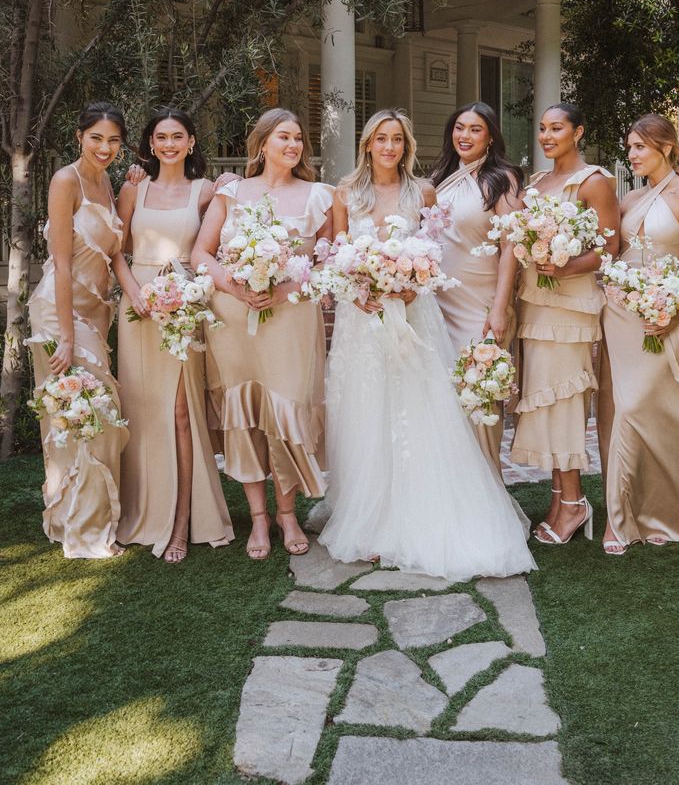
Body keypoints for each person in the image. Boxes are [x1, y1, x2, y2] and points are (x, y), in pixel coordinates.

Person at [319, 109, 536, 582]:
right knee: (366, 412)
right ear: (367, 144)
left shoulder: (425, 191)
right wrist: (364, 289)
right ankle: (370, 519)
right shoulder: (344, 193)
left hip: (415, 314)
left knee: (418, 411)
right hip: (362, 321)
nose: (389, 147)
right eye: (381, 139)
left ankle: (420, 516)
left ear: (407, 145)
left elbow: (433, 252)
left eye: (397, 139)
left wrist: (409, 285)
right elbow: (337, 256)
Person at [192, 108, 332, 560]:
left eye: (298, 139)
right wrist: (234, 285)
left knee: (284, 414)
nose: (293, 146)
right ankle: (257, 518)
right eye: (283, 138)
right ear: (262, 143)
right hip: (233, 320)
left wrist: (285, 287)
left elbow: (328, 262)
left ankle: (287, 514)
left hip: (291, 319)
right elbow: (202, 251)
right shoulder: (231, 192)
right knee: (244, 416)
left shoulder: (319, 197)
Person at [115, 109, 234, 562]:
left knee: (182, 412)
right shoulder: (132, 188)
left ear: (190, 142)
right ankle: (144, 512)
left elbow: (216, 242)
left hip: (184, 306)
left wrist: (229, 188)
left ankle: (183, 521)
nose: (168, 144)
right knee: (141, 409)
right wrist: (135, 295)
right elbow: (117, 251)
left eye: (176, 137)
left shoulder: (205, 191)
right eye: (160, 137)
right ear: (150, 143)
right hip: (137, 309)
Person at [601, 114, 679, 554]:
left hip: (668, 312)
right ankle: (621, 518)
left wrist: (675, 309)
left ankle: (676, 511)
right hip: (624, 315)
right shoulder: (629, 198)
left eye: (639, 148)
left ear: (666, 147)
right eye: (629, 147)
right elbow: (614, 252)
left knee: (663, 405)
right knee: (626, 405)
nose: (631, 155)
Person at [511, 103, 619, 545]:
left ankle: (573, 502)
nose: (546, 136)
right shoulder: (536, 183)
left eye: (556, 128)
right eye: (541, 129)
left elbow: (610, 247)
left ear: (578, 132)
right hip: (534, 304)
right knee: (543, 399)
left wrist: (567, 265)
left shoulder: (594, 182)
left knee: (564, 400)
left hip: (570, 309)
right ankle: (561, 497)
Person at [26, 102, 130, 558]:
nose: (105, 148)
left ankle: (88, 518)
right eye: (96, 138)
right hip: (58, 311)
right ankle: (84, 531)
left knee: (90, 414)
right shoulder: (65, 180)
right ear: (79, 137)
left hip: (96, 313)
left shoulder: (107, 183)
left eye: (113, 140)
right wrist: (66, 336)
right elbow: (63, 265)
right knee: (87, 411)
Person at [431, 102, 524, 472]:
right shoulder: (440, 176)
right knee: (443, 405)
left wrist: (500, 308)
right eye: (459, 127)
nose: (464, 136)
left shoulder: (502, 179)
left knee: (479, 396)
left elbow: (511, 246)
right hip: (437, 303)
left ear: (490, 138)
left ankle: (489, 491)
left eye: (474, 129)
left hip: (480, 305)